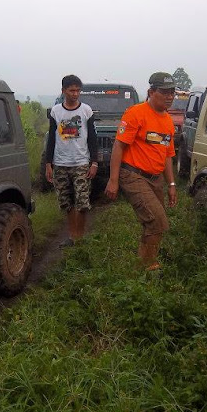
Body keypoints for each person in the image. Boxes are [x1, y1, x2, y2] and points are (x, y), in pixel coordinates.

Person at [105, 72, 178, 270]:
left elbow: (167, 155)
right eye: (164, 92)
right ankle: (148, 266)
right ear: (151, 92)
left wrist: (171, 184)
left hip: (155, 179)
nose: (170, 96)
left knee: (153, 223)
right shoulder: (136, 113)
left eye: (172, 92)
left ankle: (143, 262)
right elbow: (118, 146)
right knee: (158, 220)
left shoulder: (168, 121)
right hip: (133, 175)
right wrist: (113, 180)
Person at [45, 75, 99, 247]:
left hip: (82, 163)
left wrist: (94, 162)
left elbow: (92, 138)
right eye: (72, 90)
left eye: (78, 90)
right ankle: (71, 235)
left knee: (82, 203)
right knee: (66, 203)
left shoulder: (86, 111)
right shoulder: (56, 112)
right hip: (60, 164)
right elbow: (51, 140)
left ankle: (79, 237)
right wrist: (48, 164)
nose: (75, 94)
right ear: (63, 91)